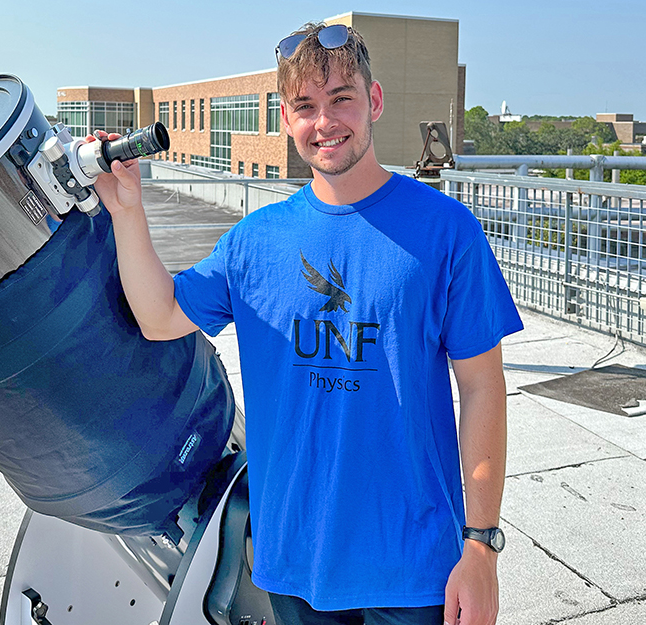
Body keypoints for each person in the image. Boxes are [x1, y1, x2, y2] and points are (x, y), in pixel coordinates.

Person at [90, 21, 523, 625]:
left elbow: (482, 388)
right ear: (287, 118)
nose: (326, 122)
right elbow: (160, 316)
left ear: (373, 100)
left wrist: (481, 546)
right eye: (305, 106)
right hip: (295, 562)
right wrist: (127, 209)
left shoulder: (447, 232)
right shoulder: (254, 243)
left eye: (342, 98)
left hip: (415, 568)